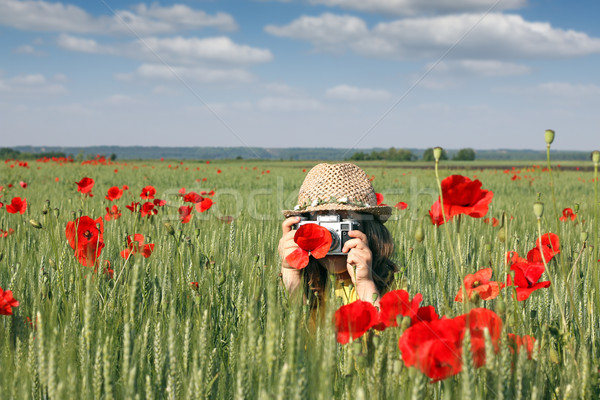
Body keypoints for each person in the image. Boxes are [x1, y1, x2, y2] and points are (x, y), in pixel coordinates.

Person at [278, 163, 397, 309]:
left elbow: (385, 331)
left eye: (343, 223)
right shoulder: (307, 282)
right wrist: (291, 272)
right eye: (323, 227)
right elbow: (292, 328)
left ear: (368, 228)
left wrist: (365, 282)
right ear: (303, 227)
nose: (331, 239)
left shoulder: (392, 282)